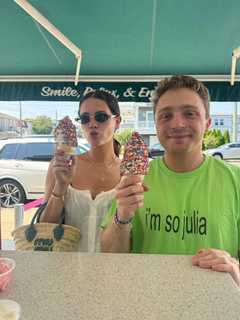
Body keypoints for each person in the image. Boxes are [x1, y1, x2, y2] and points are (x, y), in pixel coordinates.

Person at [101, 75, 240, 287]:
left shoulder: (235, 180)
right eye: (166, 116)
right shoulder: (135, 181)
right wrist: (123, 216)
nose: (177, 123)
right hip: (147, 302)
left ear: (208, 123)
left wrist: (235, 268)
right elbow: (109, 256)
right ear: (156, 124)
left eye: (189, 113)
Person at [41, 90, 121, 252]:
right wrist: (61, 187)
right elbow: (44, 229)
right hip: (67, 268)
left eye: (101, 117)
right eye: (85, 119)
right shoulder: (62, 167)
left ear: (117, 122)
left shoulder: (128, 172)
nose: (92, 124)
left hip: (114, 269)